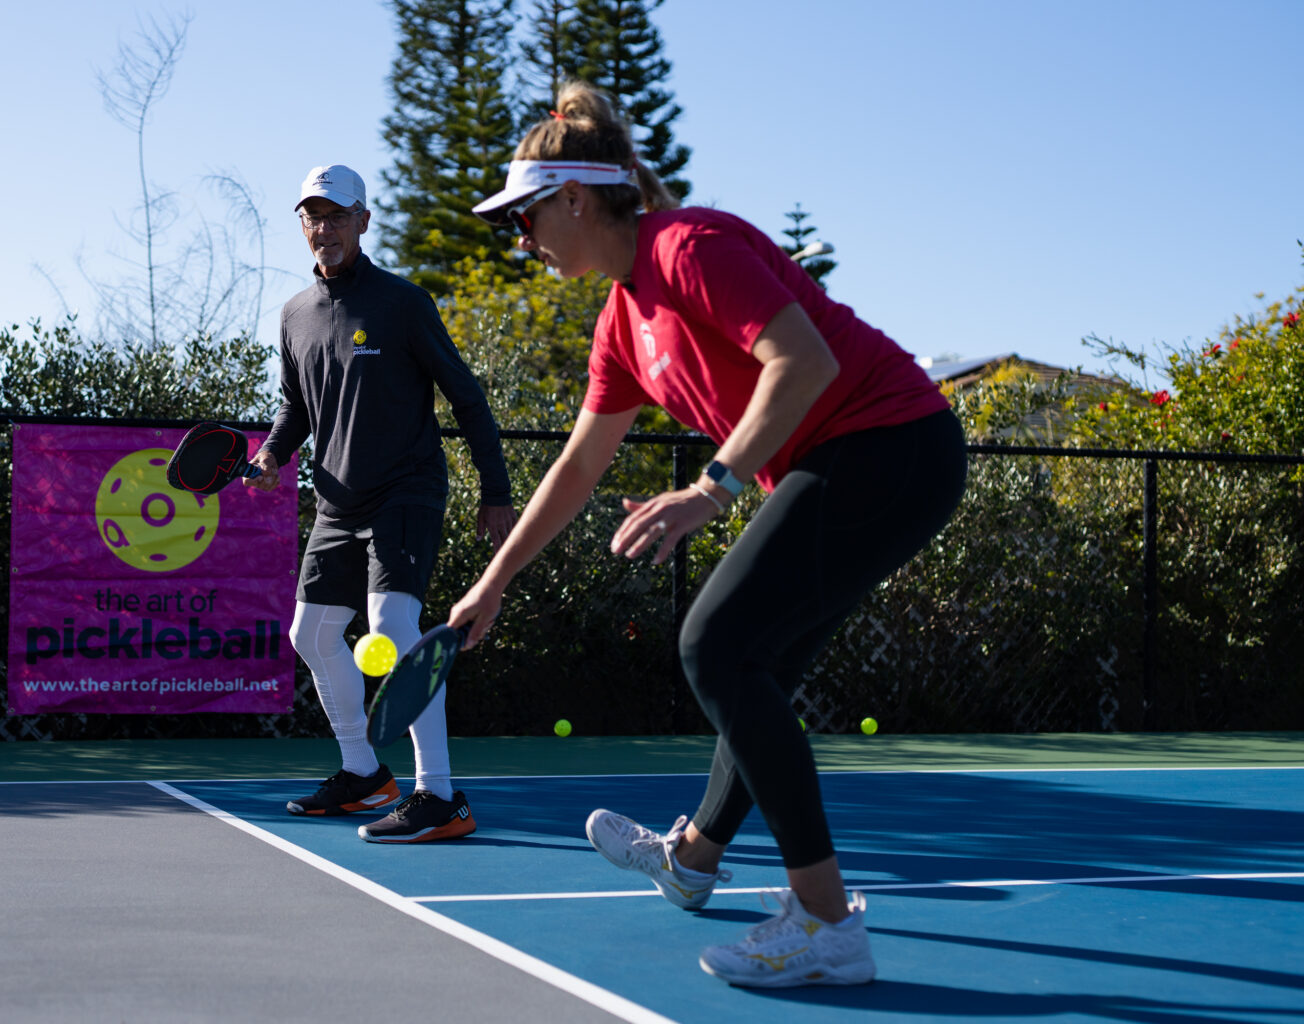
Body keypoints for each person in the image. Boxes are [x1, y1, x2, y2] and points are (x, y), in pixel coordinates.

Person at [451, 84, 967, 986]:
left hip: (893, 445)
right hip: (850, 459)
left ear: (576, 197)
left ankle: (823, 921)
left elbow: (805, 361)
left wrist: (712, 487)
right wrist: (493, 581)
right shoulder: (621, 319)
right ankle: (692, 861)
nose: (520, 239)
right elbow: (577, 467)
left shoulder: (687, 246)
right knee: (752, 665)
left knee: (716, 645)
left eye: (524, 217)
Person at [246, 164, 518, 843]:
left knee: (393, 631)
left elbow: (466, 396)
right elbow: (296, 407)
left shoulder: (402, 304)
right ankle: (365, 774)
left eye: (337, 215)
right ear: (302, 226)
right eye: (313, 216)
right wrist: (273, 455)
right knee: (308, 635)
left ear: (364, 221)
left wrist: (496, 490)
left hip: (406, 491)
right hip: (336, 502)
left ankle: (440, 797)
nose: (325, 228)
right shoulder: (293, 316)